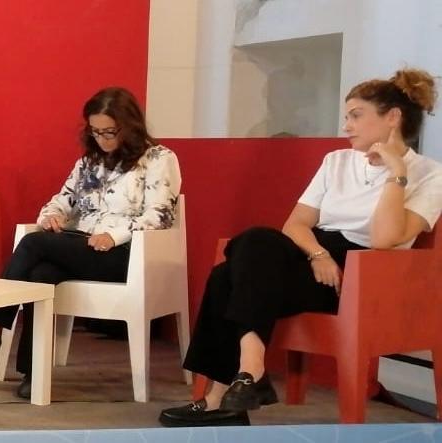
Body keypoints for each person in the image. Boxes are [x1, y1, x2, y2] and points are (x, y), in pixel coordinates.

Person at [160, 69, 441, 427]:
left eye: (356, 116)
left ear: (393, 117)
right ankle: (250, 367)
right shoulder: (336, 161)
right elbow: (295, 225)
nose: (346, 126)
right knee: (256, 239)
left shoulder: (430, 174)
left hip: (361, 274)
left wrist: (395, 173)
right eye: (347, 117)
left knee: (225, 275)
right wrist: (318, 255)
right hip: (316, 255)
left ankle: (221, 398)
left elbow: (384, 241)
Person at [0, 86, 183, 399]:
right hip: (83, 245)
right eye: (95, 132)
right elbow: (63, 199)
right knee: (41, 275)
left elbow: (159, 215)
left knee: (34, 245)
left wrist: (115, 235)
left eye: (109, 132)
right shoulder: (90, 162)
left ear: (129, 126)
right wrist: (51, 216)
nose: (102, 139)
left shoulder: (159, 159)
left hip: (125, 253)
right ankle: (34, 374)